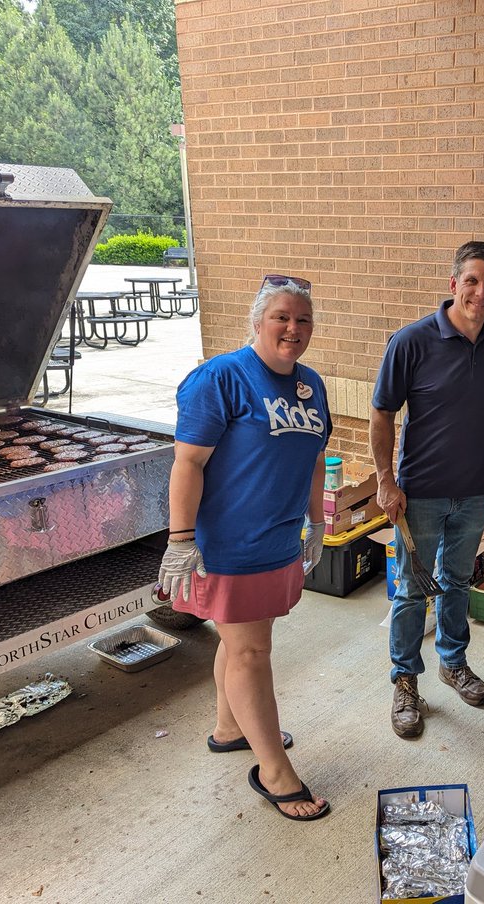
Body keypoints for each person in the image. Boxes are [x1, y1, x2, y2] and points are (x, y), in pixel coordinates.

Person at [157, 275, 331, 821]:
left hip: (278, 541)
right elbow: (188, 463)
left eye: (303, 319)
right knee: (252, 652)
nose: (293, 328)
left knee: (242, 643)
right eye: (282, 316)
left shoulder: (311, 385)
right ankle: (274, 772)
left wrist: (317, 521)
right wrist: (180, 540)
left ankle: (230, 728)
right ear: (257, 321)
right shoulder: (220, 379)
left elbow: (309, 460)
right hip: (229, 546)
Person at [371, 241, 484, 738]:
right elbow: (381, 413)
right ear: (453, 283)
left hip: (476, 490)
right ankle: (405, 682)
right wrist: (385, 482)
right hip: (420, 493)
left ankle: (452, 663)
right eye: (472, 281)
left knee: (457, 584)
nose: (482, 292)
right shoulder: (412, 341)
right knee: (412, 591)